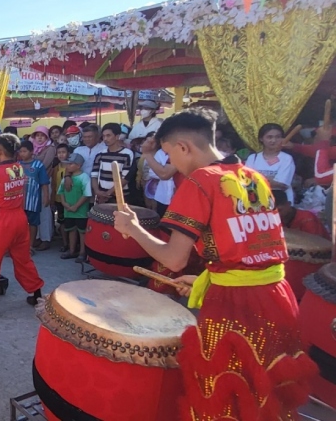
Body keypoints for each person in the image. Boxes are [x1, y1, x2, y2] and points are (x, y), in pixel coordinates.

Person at [112, 108, 316, 419]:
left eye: (168, 155)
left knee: (226, 395)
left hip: (237, 308)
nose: (171, 164)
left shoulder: (199, 183)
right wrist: (208, 278)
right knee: (265, 392)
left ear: (183, 147)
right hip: (279, 298)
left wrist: (133, 228)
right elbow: (246, 249)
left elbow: (173, 259)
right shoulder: (254, 177)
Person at [0, 133, 46, 321]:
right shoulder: (19, 168)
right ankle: (37, 295)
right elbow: (0, 172)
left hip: (1, 220)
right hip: (20, 219)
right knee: (23, 259)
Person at [245, 123, 296, 203]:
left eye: (278, 137)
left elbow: (281, 184)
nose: (273, 140)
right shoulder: (252, 158)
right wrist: (270, 179)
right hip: (257, 201)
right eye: (269, 137)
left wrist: (257, 179)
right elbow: (246, 181)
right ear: (261, 139)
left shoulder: (286, 158)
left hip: (281, 201)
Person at [57, 153, 92, 260]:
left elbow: (86, 194)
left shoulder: (84, 177)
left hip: (80, 210)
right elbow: (61, 191)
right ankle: (72, 251)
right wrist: (64, 203)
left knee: (82, 231)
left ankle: (82, 252)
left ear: (79, 165)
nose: (68, 166)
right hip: (68, 209)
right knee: (71, 230)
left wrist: (76, 206)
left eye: (71, 164)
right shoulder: (67, 178)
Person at [18, 140, 50, 251]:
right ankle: (18, 246)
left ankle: (30, 246)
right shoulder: (17, 165)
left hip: (33, 201)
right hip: (19, 201)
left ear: (32, 152)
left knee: (33, 223)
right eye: (20, 151)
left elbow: (44, 183)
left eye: (24, 151)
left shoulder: (38, 165)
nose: (22, 154)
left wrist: (46, 196)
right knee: (19, 225)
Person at [91, 123, 134, 204]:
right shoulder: (100, 154)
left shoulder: (127, 154)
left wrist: (108, 193)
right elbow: (94, 175)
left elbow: (125, 178)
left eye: (108, 135)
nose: (105, 139)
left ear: (117, 136)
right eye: (103, 136)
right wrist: (97, 191)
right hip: (101, 197)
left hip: (120, 197)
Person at [140, 136, 178, 218]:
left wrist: (164, 171)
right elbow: (152, 173)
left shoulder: (179, 152)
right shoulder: (160, 153)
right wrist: (169, 173)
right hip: (162, 196)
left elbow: (164, 174)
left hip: (177, 197)